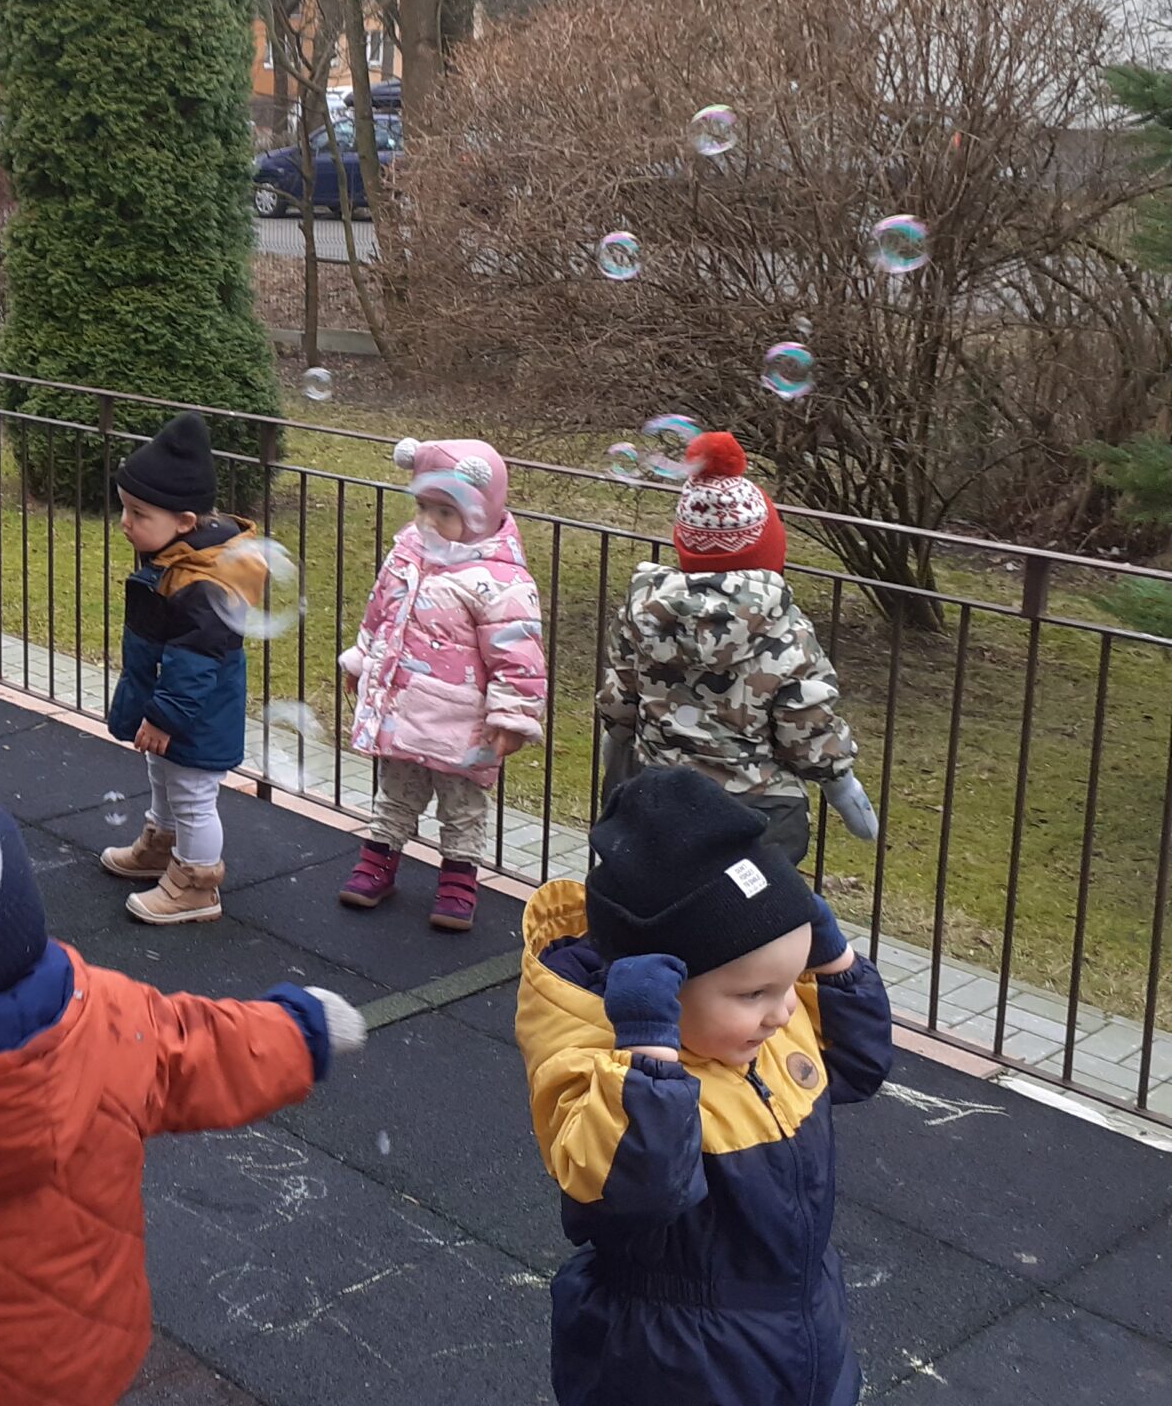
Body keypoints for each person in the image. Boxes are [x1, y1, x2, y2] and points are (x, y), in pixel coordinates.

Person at [0, 770, 368, 1405]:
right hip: (78, 1357)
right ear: (20, 915)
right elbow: (207, 1047)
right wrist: (303, 1029)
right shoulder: (111, 1019)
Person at [517, 765, 896, 1406]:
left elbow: (857, 1065)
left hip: (801, 1325)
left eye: (790, 981)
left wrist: (835, 964)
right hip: (675, 1359)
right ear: (660, 990)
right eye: (754, 993)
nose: (783, 1012)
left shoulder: (758, 1029)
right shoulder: (601, 1066)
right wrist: (649, 1060)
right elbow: (634, 1193)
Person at [597, 430, 877, 863]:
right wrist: (842, 786)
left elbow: (620, 701)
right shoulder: (786, 631)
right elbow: (806, 729)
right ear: (768, 548)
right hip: (759, 814)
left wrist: (615, 747)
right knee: (753, 902)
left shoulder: (645, 614)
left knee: (660, 894)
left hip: (658, 798)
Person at [335, 437, 549, 931]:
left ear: (480, 512)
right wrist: (361, 659)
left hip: (462, 721)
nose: (428, 522)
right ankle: (377, 863)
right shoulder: (406, 555)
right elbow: (379, 614)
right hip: (404, 708)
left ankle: (458, 880)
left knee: (462, 806)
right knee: (395, 792)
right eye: (422, 507)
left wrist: (512, 716)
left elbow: (518, 657)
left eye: (444, 512)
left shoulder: (500, 581)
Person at [99, 412, 256, 926]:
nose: (125, 522)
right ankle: (162, 845)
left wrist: (164, 716)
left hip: (196, 713)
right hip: (173, 705)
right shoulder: (175, 560)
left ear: (185, 522)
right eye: (124, 508)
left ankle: (197, 884)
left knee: (192, 795)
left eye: (138, 514)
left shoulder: (203, 583)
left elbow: (194, 665)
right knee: (163, 776)